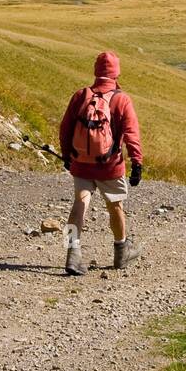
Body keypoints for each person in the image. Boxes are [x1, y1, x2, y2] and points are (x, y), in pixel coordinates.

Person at [59, 51, 143, 276]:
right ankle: (121, 251)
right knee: (115, 205)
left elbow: (65, 128)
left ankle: (72, 254)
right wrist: (137, 162)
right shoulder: (121, 99)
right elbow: (131, 132)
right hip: (110, 165)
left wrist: (68, 155)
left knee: (79, 204)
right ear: (116, 72)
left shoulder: (80, 95)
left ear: (96, 71)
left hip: (81, 163)